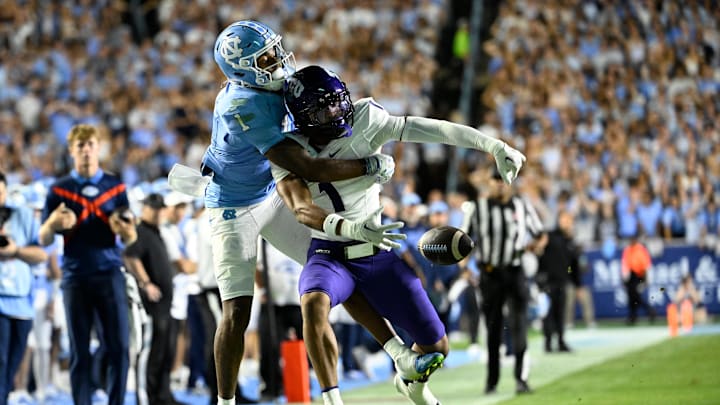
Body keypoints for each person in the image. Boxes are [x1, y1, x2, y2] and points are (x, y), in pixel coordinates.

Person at [273, 65, 526, 405]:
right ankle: (333, 401)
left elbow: (432, 130)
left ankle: (414, 386)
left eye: (337, 101)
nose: (336, 110)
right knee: (313, 304)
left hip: (375, 250)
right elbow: (302, 209)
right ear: (304, 116)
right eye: (324, 107)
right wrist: (349, 228)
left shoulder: (366, 118)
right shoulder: (289, 150)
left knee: (437, 347)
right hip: (329, 252)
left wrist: (492, 145)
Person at [184, 20, 398, 405]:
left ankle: (397, 352)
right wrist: (369, 166)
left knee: (336, 264)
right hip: (232, 208)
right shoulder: (241, 104)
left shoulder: (266, 83)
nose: (277, 60)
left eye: (274, 50)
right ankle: (225, 401)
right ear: (240, 69)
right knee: (237, 310)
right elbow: (307, 166)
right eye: (264, 57)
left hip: (269, 194)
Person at [38, 124, 137, 405]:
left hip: (109, 273)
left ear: (99, 147)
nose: (86, 150)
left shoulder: (115, 186)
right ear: (71, 151)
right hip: (76, 276)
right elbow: (43, 239)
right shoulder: (58, 189)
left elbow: (130, 237)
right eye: (80, 146)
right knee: (79, 351)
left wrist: (126, 230)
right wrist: (52, 224)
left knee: (119, 347)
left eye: (91, 144)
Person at [462, 169, 544, 395]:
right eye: (495, 179)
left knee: (519, 326)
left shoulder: (522, 205)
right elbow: (462, 241)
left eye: (503, 180)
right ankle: (492, 381)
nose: (499, 184)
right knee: (493, 327)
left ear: (510, 183)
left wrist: (537, 246)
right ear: (488, 183)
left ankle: (521, 379)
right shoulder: (477, 208)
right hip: (490, 274)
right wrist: (463, 267)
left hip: (515, 270)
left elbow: (540, 233)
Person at [122, 193, 187, 405]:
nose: (158, 212)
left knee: (164, 353)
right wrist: (146, 282)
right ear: (144, 209)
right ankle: (146, 398)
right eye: (154, 208)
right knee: (150, 354)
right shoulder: (139, 231)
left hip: (164, 304)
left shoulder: (156, 232)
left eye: (160, 209)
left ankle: (162, 396)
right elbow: (130, 257)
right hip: (151, 305)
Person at [0, 172, 49, 405]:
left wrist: (15, 251)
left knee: (12, 363)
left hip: (22, 302)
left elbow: (40, 255)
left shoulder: (22, 215)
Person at [536, 211, 580, 352]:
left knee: (560, 313)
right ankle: (548, 343)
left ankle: (560, 341)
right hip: (547, 282)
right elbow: (539, 254)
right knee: (548, 313)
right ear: (559, 220)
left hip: (562, 282)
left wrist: (577, 284)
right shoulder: (549, 236)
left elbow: (573, 265)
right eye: (564, 219)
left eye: (569, 220)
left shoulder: (571, 242)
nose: (567, 222)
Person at [621, 234, 656, 325]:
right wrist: (624, 278)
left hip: (639, 275)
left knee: (636, 297)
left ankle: (649, 311)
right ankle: (634, 316)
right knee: (631, 297)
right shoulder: (627, 250)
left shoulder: (640, 250)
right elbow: (625, 264)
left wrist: (645, 280)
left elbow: (645, 266)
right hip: (630, 276)